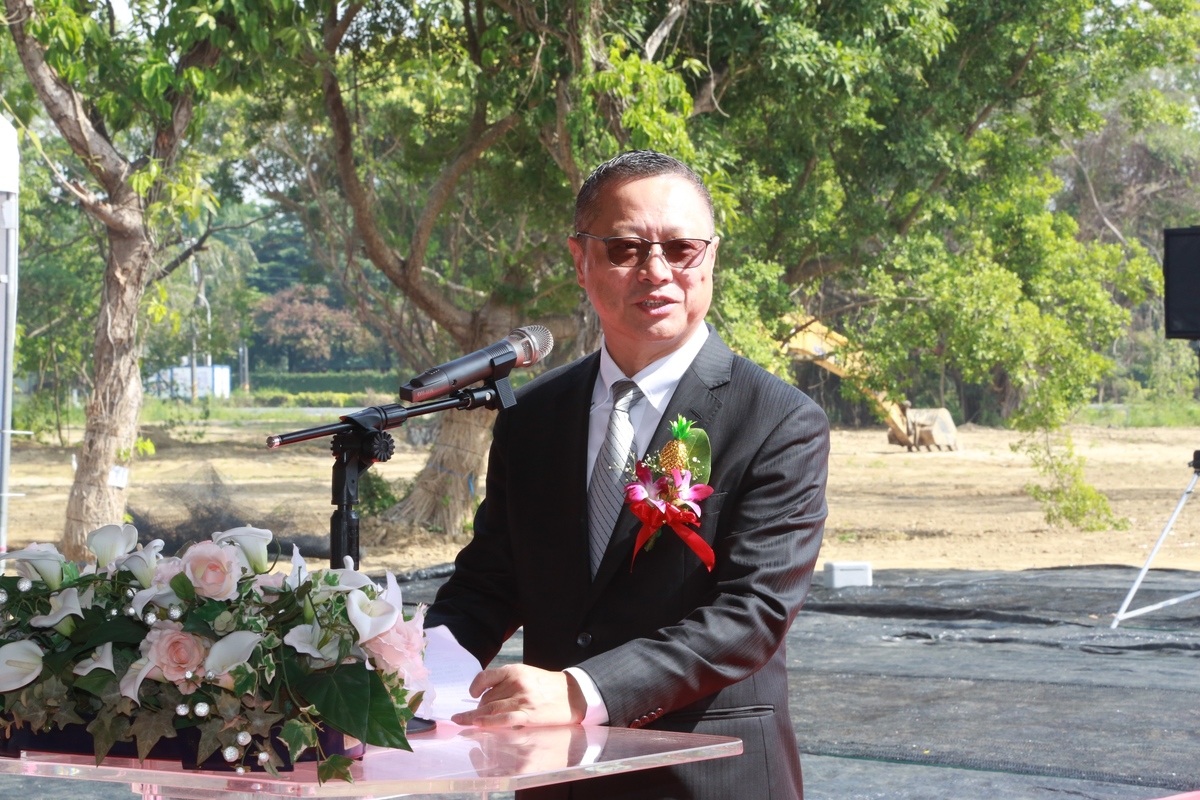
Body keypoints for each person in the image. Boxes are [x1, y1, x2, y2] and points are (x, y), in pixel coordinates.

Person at [424, 150, 829, 799]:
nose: (657, 272)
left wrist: (583, 690)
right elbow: (489, 582)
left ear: (712, 257)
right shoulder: (531, 417)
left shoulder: (777, 421)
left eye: (682, 248)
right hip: (554, 777)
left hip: (706, 773)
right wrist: (414, 673)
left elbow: (751, 614)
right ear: (580, 260)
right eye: (625, 249)